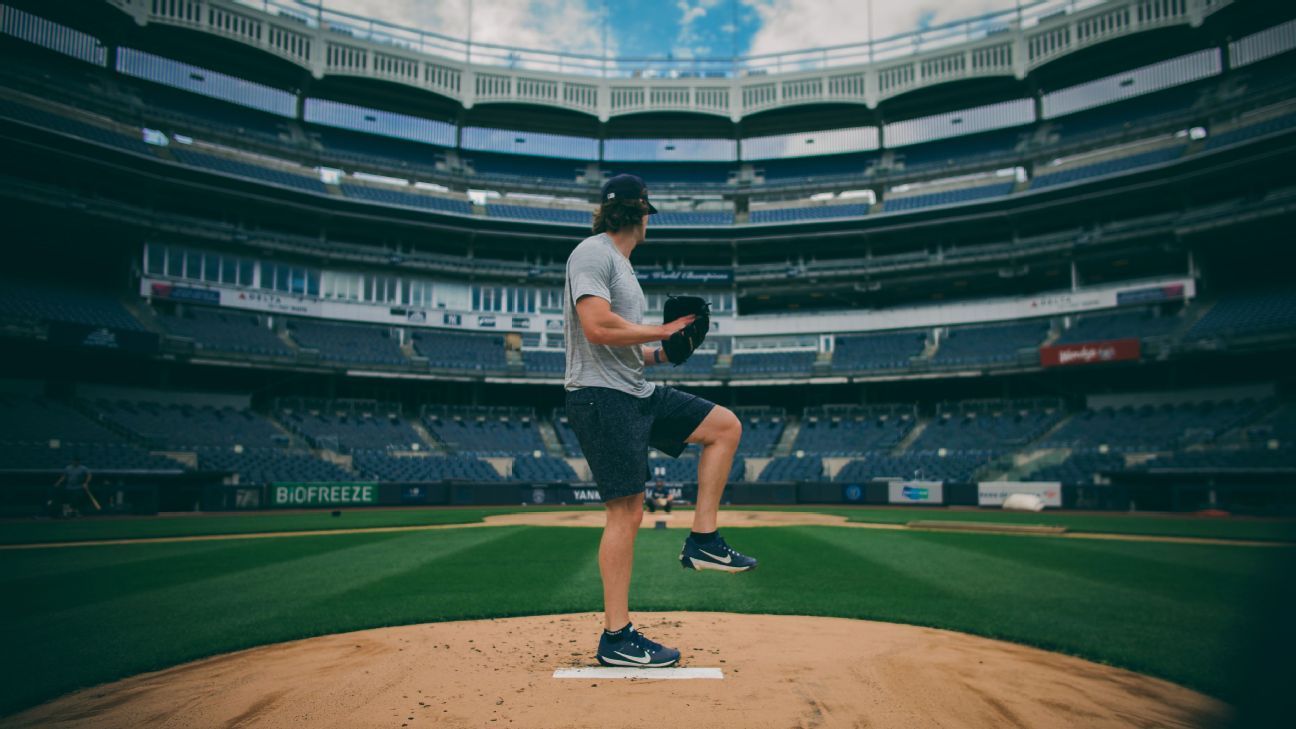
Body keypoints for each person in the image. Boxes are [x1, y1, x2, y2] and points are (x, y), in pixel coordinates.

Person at [564, 174, 757, 669]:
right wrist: (664, 327)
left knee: (724, 427)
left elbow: (623, 348)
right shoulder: (594, 252)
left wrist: (662, 352)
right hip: (601, 399)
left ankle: (704, 541)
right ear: (640, 212)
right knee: (626, 512)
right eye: (648, 213)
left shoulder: (624, 267)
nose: (650, 221)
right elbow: (596, 326)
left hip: (636, 390)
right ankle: (617, 637)